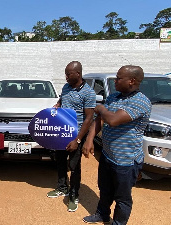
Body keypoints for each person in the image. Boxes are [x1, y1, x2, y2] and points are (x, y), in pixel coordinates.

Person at [82, 65, 152, 224]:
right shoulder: (114, 97)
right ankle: (102, 214)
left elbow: (112, 120)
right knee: (105, 189)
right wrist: (89, 139)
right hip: (108, 155)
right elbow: (99, 119)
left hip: (126, 161)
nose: (115, 80)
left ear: (132, 81)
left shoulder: (141, 102)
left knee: (122, 198)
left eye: (119, 78)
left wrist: (99, 108)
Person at [47, 61, 96, 212]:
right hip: (62, 131)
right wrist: (57, 105)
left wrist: (78, 140)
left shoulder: (88, 93)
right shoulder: (66, 87)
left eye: (69, 74)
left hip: (76, 134)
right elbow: (62, 100)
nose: (66, 77)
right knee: (60, 161)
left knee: (74, 166)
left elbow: (88, 119)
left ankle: (74, 195)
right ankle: (62, 187)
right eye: (65, 74)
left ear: (78, 74)